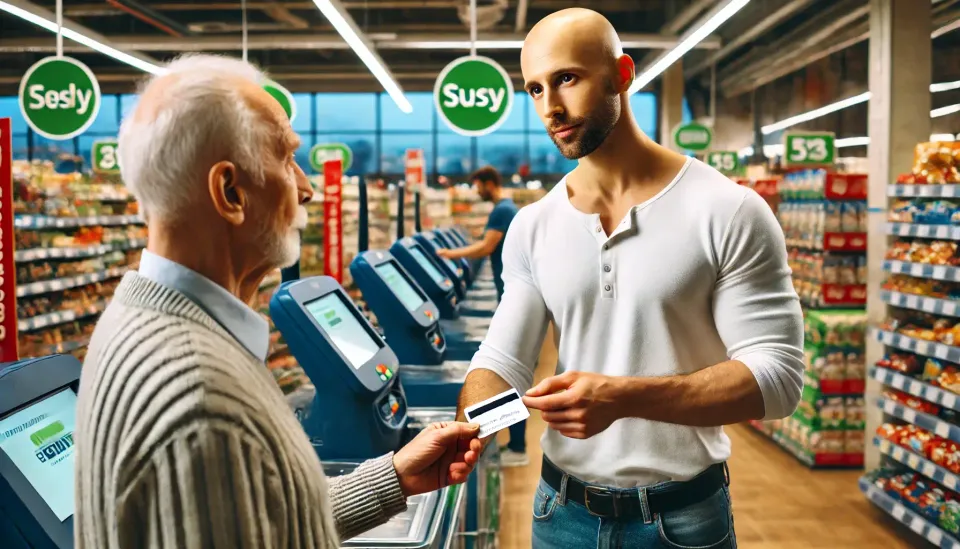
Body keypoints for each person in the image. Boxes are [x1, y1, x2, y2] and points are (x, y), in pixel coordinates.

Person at [74, 54, 482, 549]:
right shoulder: (202, 400)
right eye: (287, 159)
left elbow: (255, 521)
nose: (307, 188)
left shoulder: (144, 322)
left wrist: (391, 479)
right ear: (230, 192)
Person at [456, 8, 804, 548]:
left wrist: (623, 398)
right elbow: (503, 362)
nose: (551, 106)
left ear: (623, 73)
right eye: (534, 89)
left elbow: (777, 379)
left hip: (684, 519)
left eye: (567, 79)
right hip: (559, 516)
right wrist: (470, 424)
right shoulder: (534, 225)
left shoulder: (727, 210)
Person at [435, 166, 527, 466]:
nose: (476, 192)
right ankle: (515, 444)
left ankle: (517, 447)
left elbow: (486, 247)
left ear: (489, 183)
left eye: (477, 186)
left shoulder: (502, 210)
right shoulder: (505, 208)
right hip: (507, 291)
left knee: (508, 374)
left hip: (508, 294)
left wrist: (450, 254)